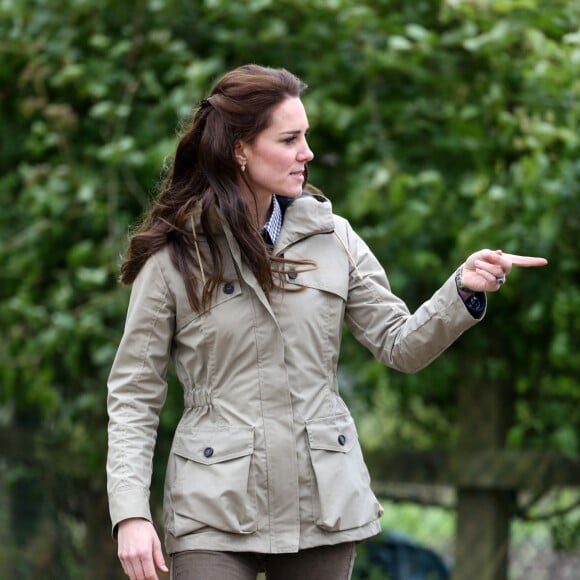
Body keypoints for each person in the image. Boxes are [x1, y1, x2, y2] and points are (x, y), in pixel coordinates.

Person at [106, 64, 547, 580]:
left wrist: (463, 290)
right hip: (213, 507)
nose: (307, 153)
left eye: (306, 137)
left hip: (324, 501)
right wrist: (131, 513)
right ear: (240, 150)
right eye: (290, 138)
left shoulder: (332, 238)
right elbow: (135, 394)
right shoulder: (177, 255)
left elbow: (400, 345)